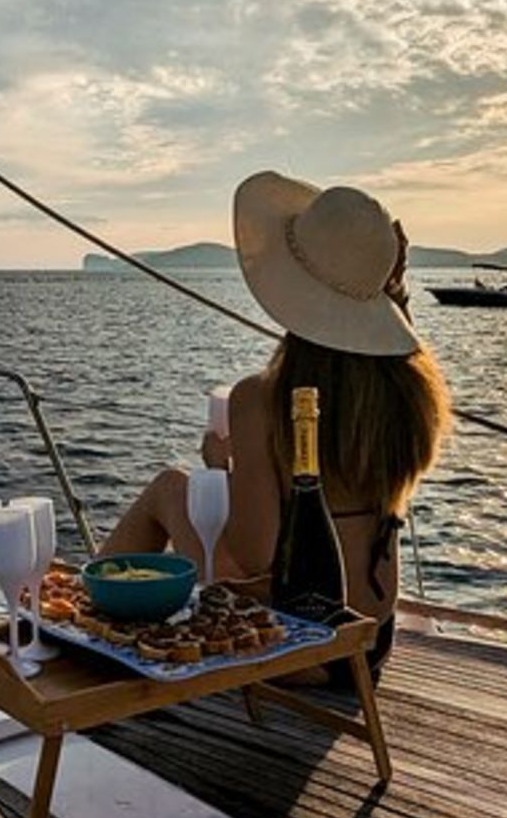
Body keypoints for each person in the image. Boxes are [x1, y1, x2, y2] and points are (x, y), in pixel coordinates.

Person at [101, 171, 452, 680]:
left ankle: (79, 630)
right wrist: (394, 296)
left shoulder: (260, 401)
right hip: (370, 641)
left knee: (170, 489)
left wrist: (220, 471)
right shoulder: (411, 397)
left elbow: (252, 554)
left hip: (297, 642)